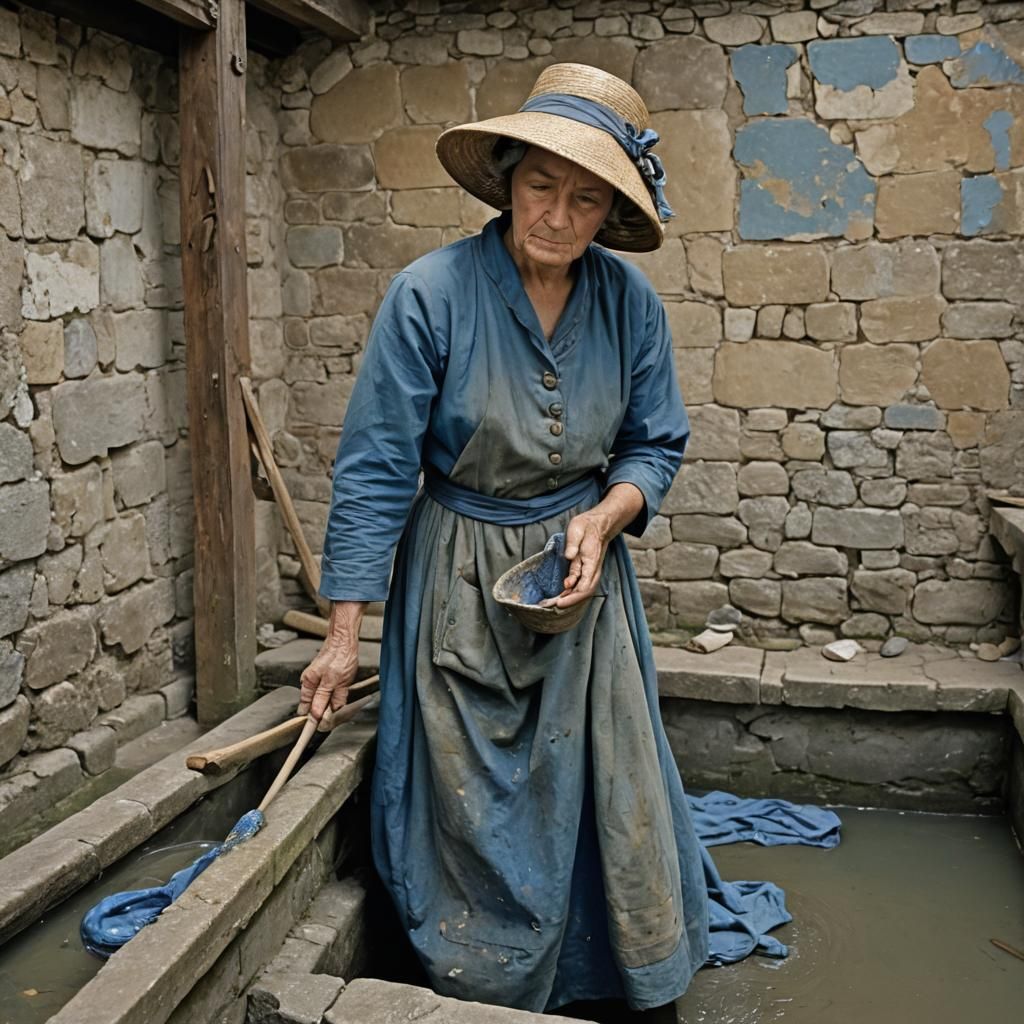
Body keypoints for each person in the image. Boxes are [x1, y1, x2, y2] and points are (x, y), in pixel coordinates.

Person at [299, 63, 710, 1014]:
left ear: (609, 210)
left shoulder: (628, 305)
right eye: (541, 186)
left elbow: (655, 444)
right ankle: (483, 980)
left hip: (582, 581)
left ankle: (609, 974)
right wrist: (342, 634)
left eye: (585, 198)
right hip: (457, 577)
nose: (558, 216)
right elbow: (373, 471)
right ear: (508, 178)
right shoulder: (428, 295)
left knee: (606, 792)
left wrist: (606, 520)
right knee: (471, 808)